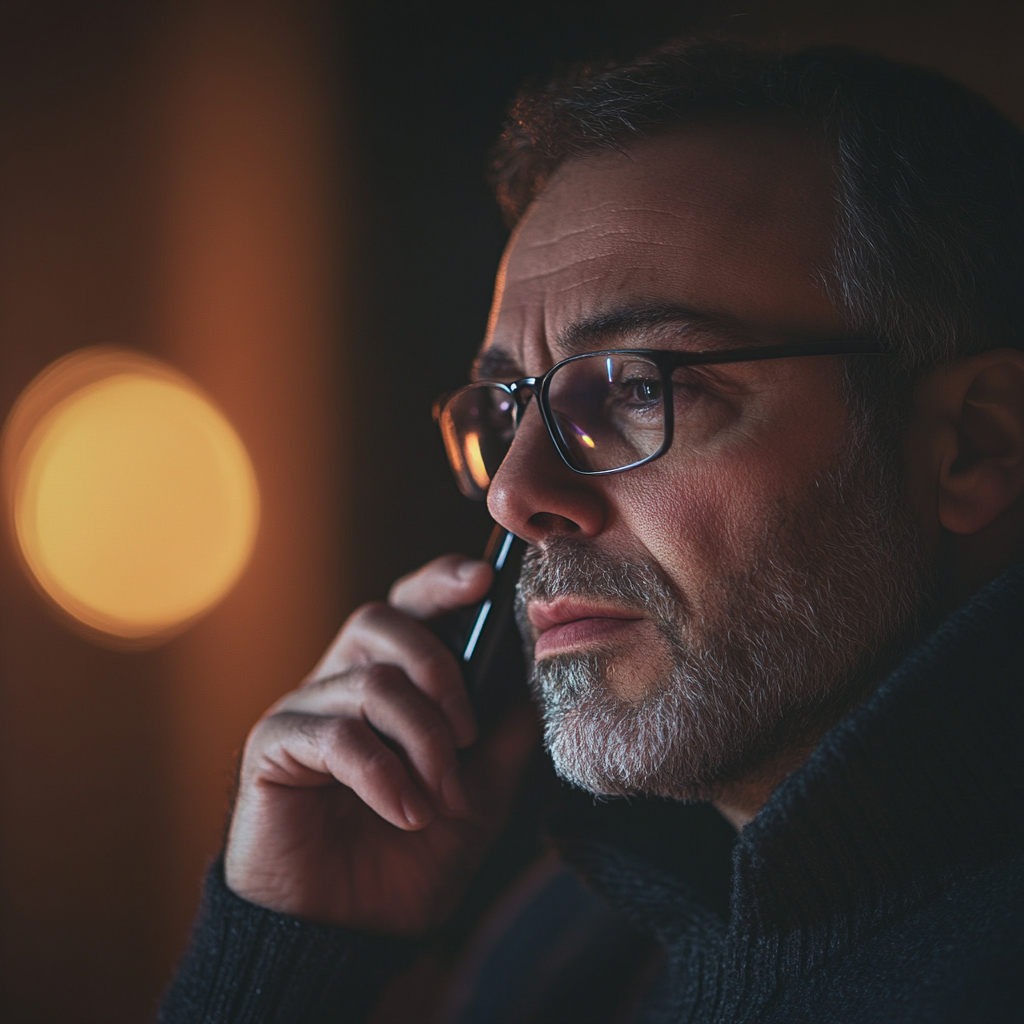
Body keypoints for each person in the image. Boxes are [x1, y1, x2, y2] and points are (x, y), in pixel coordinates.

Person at [160, 39, 1024, 1023]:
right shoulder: (564, 946)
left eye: (635, 387)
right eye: (504, 409)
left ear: (970, 442)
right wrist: (284, 961)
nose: (514, 495)